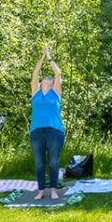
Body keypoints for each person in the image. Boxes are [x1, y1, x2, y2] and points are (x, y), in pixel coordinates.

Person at [30, 45, 65, 200]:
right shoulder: (36, 92)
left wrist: (49, 56)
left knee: (53, 161)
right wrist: (41, 58)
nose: (49, 77)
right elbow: (35, 74)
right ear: (42, 82)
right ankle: (40, 191)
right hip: (37, 132)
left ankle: (53, 190)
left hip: (55, 131)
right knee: (39, 163)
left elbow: (58, 73)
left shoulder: (55, 92)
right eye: (46, 77)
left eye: (51, 78)